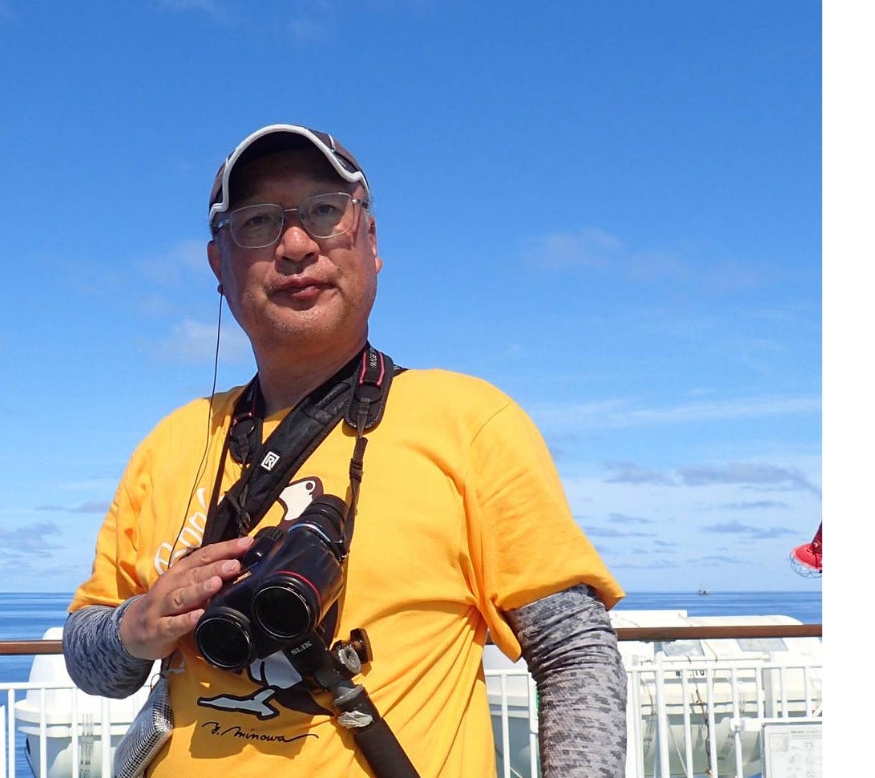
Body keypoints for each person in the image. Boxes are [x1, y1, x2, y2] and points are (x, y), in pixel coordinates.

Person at [63, 123, 628, 777]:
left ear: (371, 241)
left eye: (325, 212)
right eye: (258, 223)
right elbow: (90, 659)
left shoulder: (469, 422)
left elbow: (573, 651)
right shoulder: (171, 442)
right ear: (220, 266)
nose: (296, 245)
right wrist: (137, 626)